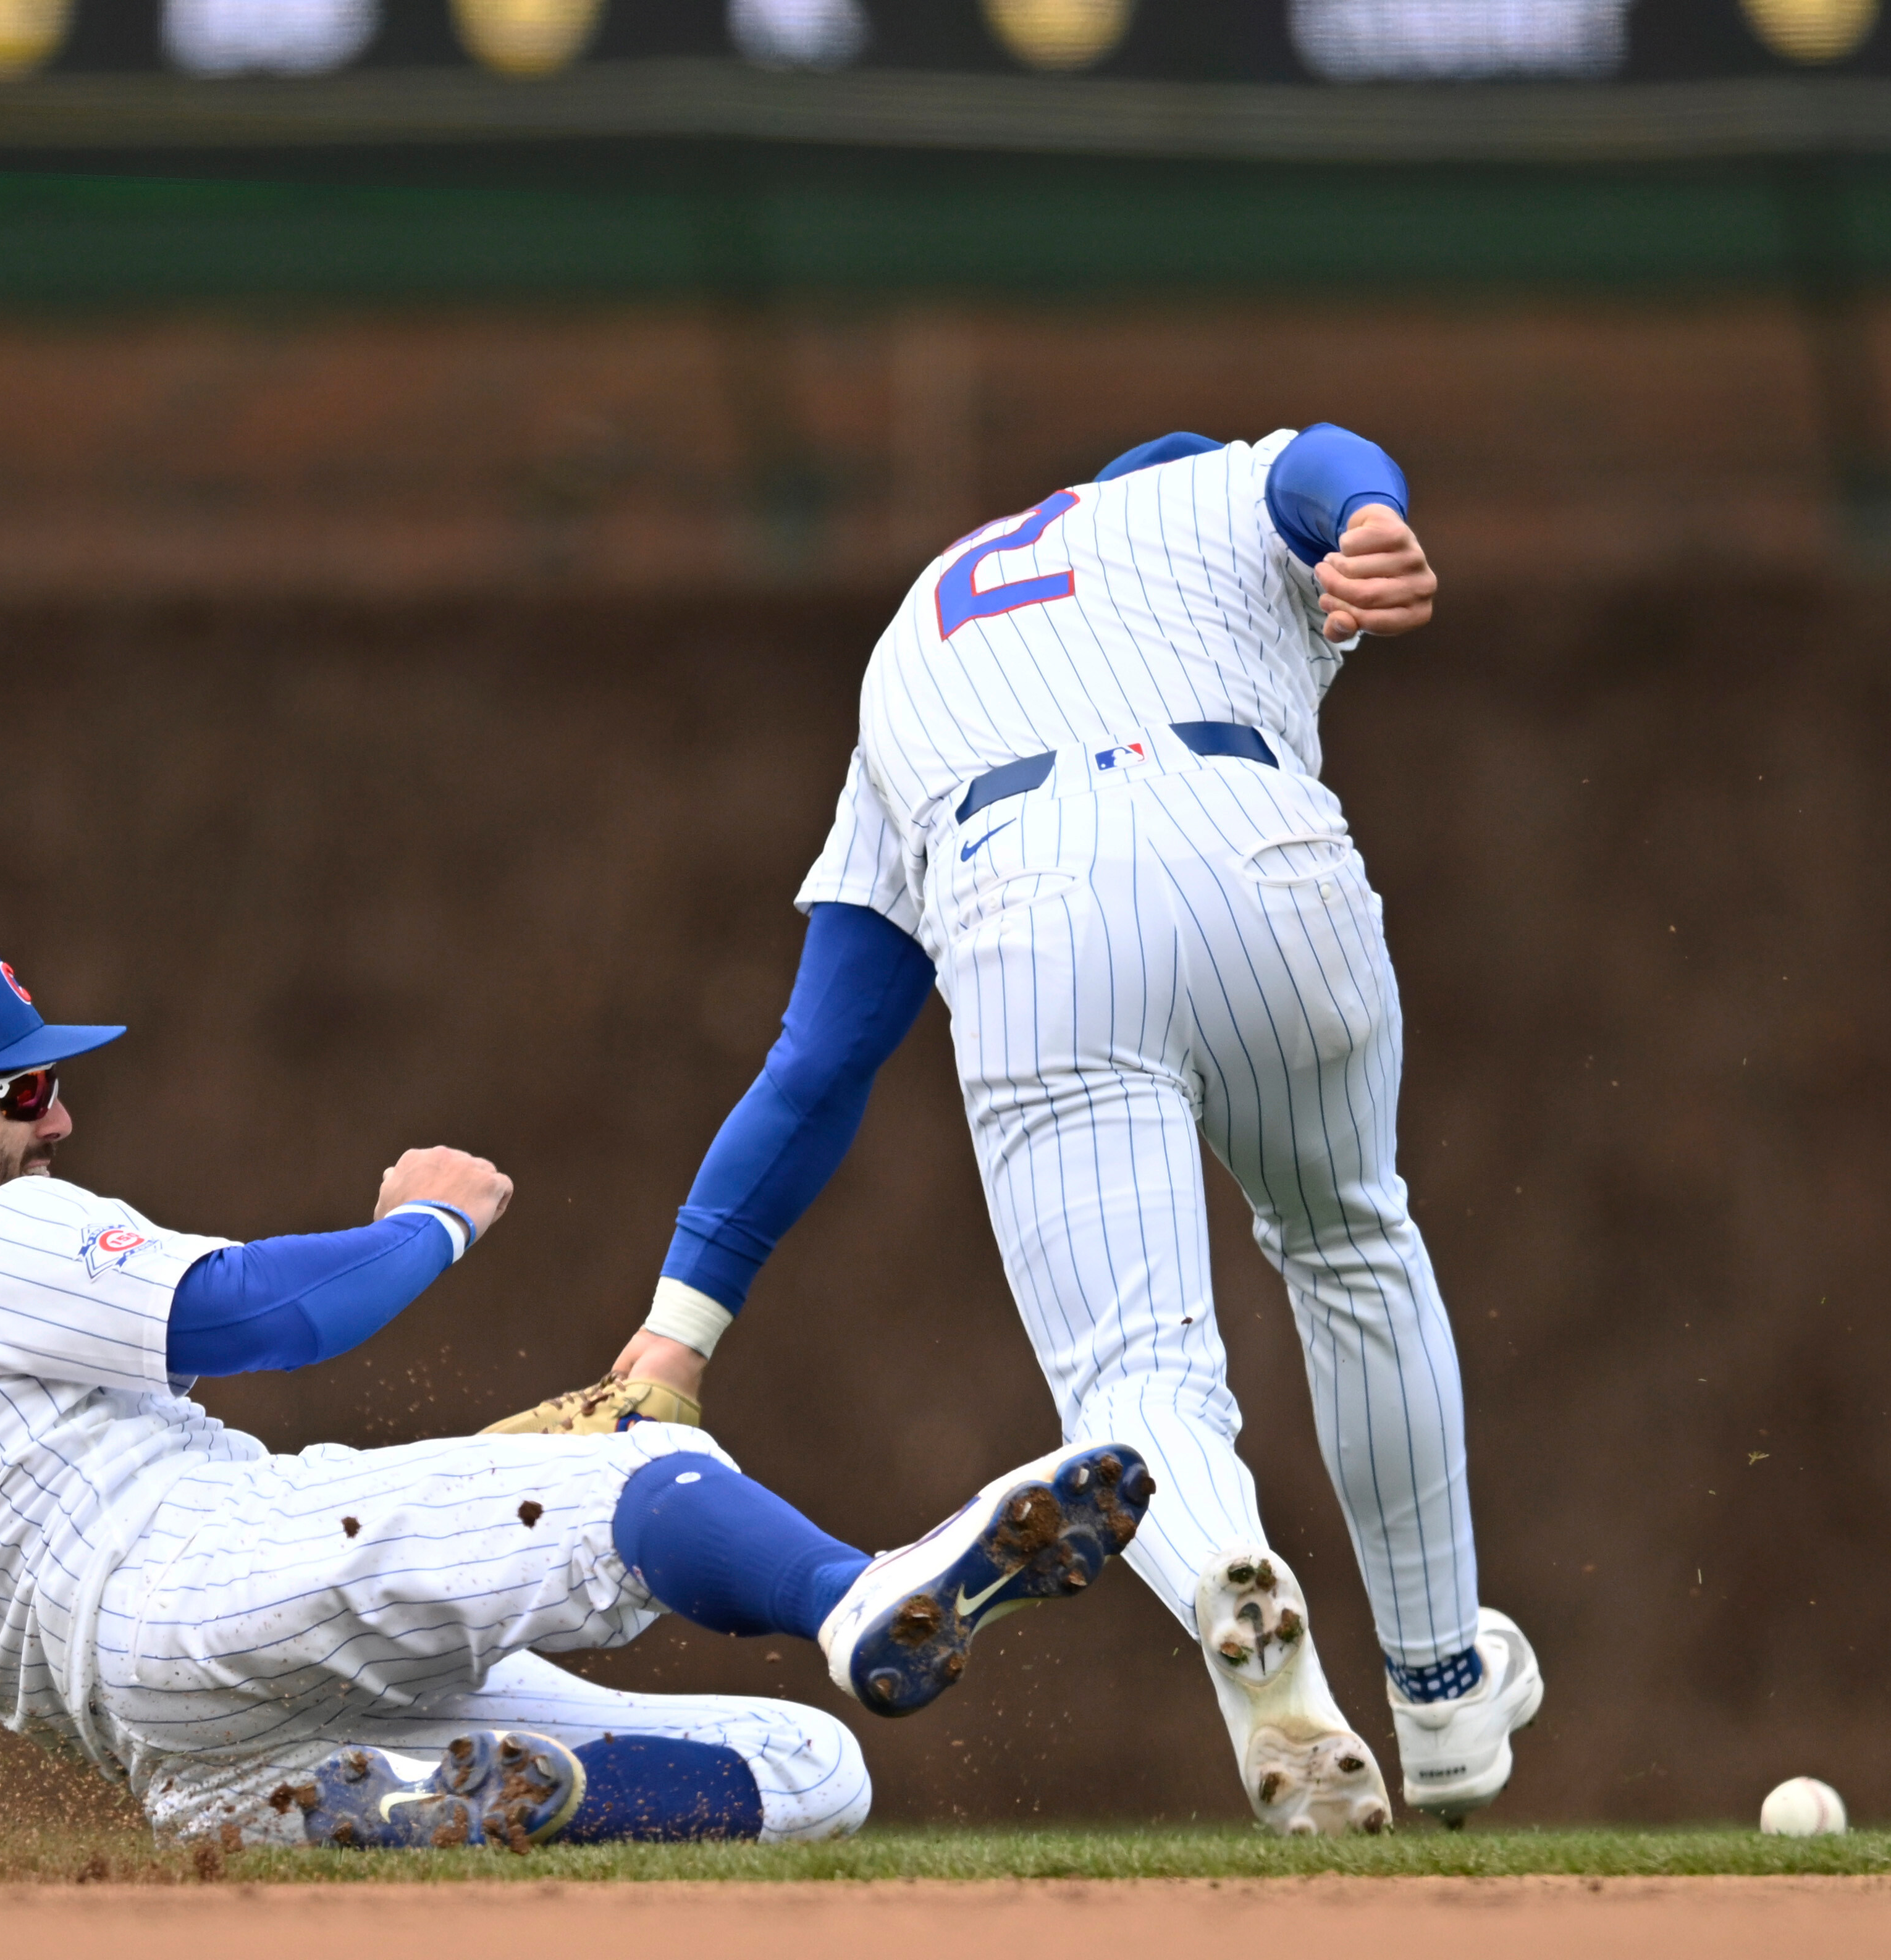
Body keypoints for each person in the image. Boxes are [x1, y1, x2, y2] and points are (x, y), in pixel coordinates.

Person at [490, 427, 1543, 1834]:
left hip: (1029, 908)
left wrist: (679, 1329)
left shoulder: (916, 630)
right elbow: (1319, 465)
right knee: (1351, 1237)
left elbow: (820, 1059)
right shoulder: (1188, 503)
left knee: (1135, 1376)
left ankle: (1231, 1566)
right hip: (1266, 853)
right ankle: (1445, 1694)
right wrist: (1366, 511)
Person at [0, 940, 1152, 1849]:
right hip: (198, 1569)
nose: (59, 1115)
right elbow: (267, 1315)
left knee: (812, 1777)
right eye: (20, 1092)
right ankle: (858, 1597)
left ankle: (381, 1818)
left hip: (165, 1743)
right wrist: (432, 1217)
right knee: (627, 1480)